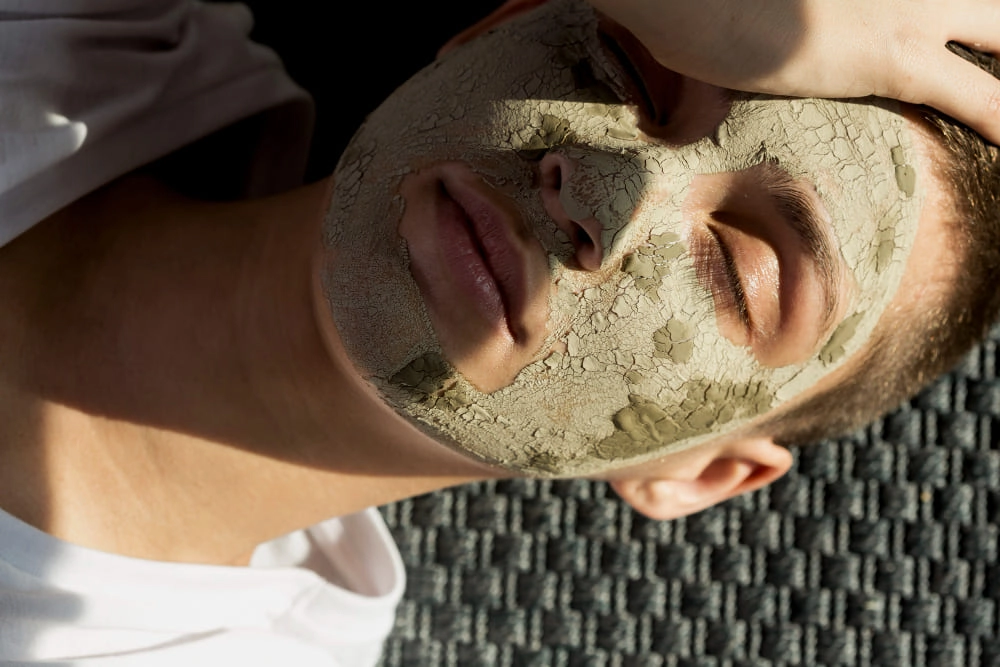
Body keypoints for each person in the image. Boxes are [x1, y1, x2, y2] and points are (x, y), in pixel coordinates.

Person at [0, 0, 999, 664]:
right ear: (495, 23)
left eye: (738, 276)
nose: (605, 194)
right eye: (630, 75)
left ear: (696, 473)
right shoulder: (79, 28)